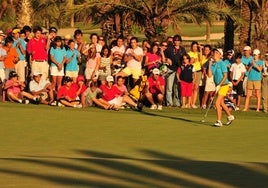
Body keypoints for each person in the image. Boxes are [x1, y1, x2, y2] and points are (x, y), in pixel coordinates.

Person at [208, 48, 235, 127]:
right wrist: (209, 64)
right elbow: (209, 75)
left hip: (224, 85)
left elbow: (225, 76)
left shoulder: (222, 63)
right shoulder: (213, 64)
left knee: (217, 103)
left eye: (216, 53)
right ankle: (230, 116)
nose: (214, 54)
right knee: (222, 103)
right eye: (214, 53)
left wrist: (219, 85)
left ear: (220, 55)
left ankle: (219, 121)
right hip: (218, 85)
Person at [163, 34, 186, 107]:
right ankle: (169, 103)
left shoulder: (182, 49)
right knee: (169, 87)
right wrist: (167, 59)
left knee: (177, 88)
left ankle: (177, 103)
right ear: (173, 41)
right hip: (171, 69)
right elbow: (163, 56)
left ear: (180, 41)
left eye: (178, 40)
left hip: (179, 70)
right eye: (175, 40)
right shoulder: (169, 49)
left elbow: (185, 58)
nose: (177, 42)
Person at [188, 41, 203, 108]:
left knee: (196, 88)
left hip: (198, 71)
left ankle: (193, 103)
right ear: (191, 47)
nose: (195, 48)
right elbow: (189, 62)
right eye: (193, 46)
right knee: (191, 87)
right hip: (191, 71)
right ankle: (189, 103)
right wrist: (192, 60)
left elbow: (201, 59)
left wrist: (200, 50)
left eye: (196, 46)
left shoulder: (198, 53)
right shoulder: (189, 53)